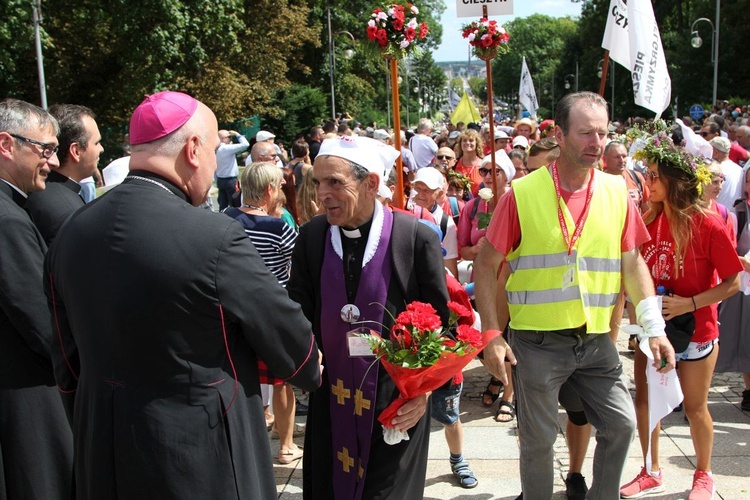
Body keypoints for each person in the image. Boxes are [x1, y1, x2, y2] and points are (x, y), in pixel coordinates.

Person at [45, 91, 321, 499]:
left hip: (102, 449)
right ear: (193, 149)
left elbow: (66, 363)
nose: (213, 164)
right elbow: (288, 336)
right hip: (199, 453)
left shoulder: (72, 231)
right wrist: (310, 367)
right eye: (212, 150)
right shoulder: (215, 236)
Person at [474, 92, 676, 499]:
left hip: (597, 338)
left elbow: (632, 262)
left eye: (602, 133)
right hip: (537, 342)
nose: (596, 143)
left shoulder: (617, 191)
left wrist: (654, 328)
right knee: (539, 440)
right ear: (560, 135)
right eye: (585, 133)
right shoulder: (522, 193)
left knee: (620, 424)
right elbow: (484, 264)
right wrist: (492, 335)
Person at [287, 135, 450, 499]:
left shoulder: (413, 239)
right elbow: (297, 309)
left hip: (395, 404)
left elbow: (442, 325)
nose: (321, 194)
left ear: (371, 183)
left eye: (334, 182)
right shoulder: (312, 237)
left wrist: (423, 393)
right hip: (332, 397)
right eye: (317, 182)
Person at [620, 134, 742, 500]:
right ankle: (650, 470)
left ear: (675, 181)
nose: (647, 181)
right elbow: (632, 270)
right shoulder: (646, 219)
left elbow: (733, 283)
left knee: (694, 407)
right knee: (645, 402)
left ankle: (704, 474)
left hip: (697, 332)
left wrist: (689, 304)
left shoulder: (708, 224)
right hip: (654, 330)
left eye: (655, 175)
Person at [0, 98, 73, 500]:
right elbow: (43, 326)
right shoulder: (8, 220)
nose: (52, 161)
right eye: (44, 149)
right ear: (7, 145)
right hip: (25, 401)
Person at [223, 161, 302, 464]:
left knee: (243, 380)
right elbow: (298, 267)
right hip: (271, 313)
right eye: (280, 185)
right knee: (282, 383)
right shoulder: (278, 226)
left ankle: (247, 443)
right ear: (270, 189)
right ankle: (285, 446)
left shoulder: (226, 218)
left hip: (233, 312)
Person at [26, 104, 103, 245]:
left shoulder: (35, 188)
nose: (101, 149)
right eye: (97, 143)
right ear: (76, 151)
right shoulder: (69, 214)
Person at [716, 166, 750, 412]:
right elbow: (727, 251)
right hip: (744, 286)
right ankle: (749, 391)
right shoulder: (739, 213)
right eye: (749, 180)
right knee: (744, 340)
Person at [411, 166, 459, 278]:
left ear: (440, 193)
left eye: (427, 190)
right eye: (417, 188)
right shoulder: (401, 206)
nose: (421, 194)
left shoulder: (446, 223)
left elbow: (449, 265)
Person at [215, 129, 249, 210]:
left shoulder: (217, 149)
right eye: (229, 137)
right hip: (230, 180)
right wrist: (237, 134)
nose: (231, 138)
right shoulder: (226, 148)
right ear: (223, 138)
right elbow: (245, 144)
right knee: (234, 202)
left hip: (220, 179)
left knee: (223, 204)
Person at [709, 136, 743, 209]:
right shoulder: (740, 169)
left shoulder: (716, 170)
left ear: (715, 152)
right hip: (735, 216)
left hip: (719, 214)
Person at [454, 129, 484, 196]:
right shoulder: (454, 164)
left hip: (478, 204)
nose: (467, 143)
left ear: (477, 143)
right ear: (460, 144)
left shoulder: (484, 165)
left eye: (471, 140)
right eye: (464, 140)